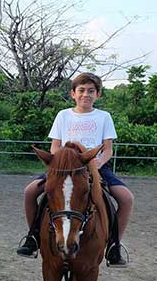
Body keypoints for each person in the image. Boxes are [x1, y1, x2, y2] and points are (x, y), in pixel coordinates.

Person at [16, 73, 134, 266]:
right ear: (73, 93)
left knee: (126, 198)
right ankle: (34, 237)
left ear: (98, 94)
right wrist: (58, 161)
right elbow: (55, 146)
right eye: (81, 90)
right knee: (30, 191)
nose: (85, 95)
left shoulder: (104, 117)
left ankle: (114, 244)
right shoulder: (63, 115)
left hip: (94, 167)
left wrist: (98, 162)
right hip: (63, 168)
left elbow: (108, 149)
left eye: (91, 91)